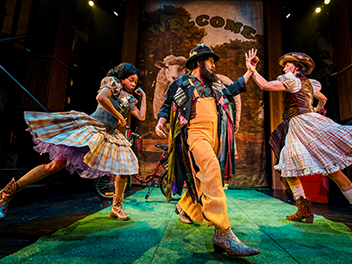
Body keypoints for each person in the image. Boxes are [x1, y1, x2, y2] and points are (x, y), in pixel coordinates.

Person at [249, 52, 352, 233]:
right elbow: (324, 99)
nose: (284, 68)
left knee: (332, 170)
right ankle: (304, 209)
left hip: (304, 125)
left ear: (296, 67)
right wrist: (315, 110)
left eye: (287, 65)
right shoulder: (309, 83)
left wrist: (251, 69)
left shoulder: (291, 79)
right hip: (299, 127)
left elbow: (264, 85)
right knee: (287, 167)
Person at [0, 62, 146, 221]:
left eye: (135, 82)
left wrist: (144, 97)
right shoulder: (113, 84)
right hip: (92, 129)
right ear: (122, 78)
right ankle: (8, 191)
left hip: (109, 135)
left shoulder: (130, 99)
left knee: (123, 169)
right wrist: (119, 116)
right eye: (131, 80)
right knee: (55, 165)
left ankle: (116, 208)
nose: (133, 84)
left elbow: (141, 116)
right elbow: (101, 98)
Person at [155, 44, 260, 256]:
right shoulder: (180, 83)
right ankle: (223, 232)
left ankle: (185, 206)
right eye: (210, 61)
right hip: (194, 133)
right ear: (198, 63)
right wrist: (161, 120)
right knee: (211, 170)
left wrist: (250, 71)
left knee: (203, 178)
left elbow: (234, 89)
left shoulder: (216, 85)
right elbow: (167, 104)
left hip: (215, 136)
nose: (213, 65)